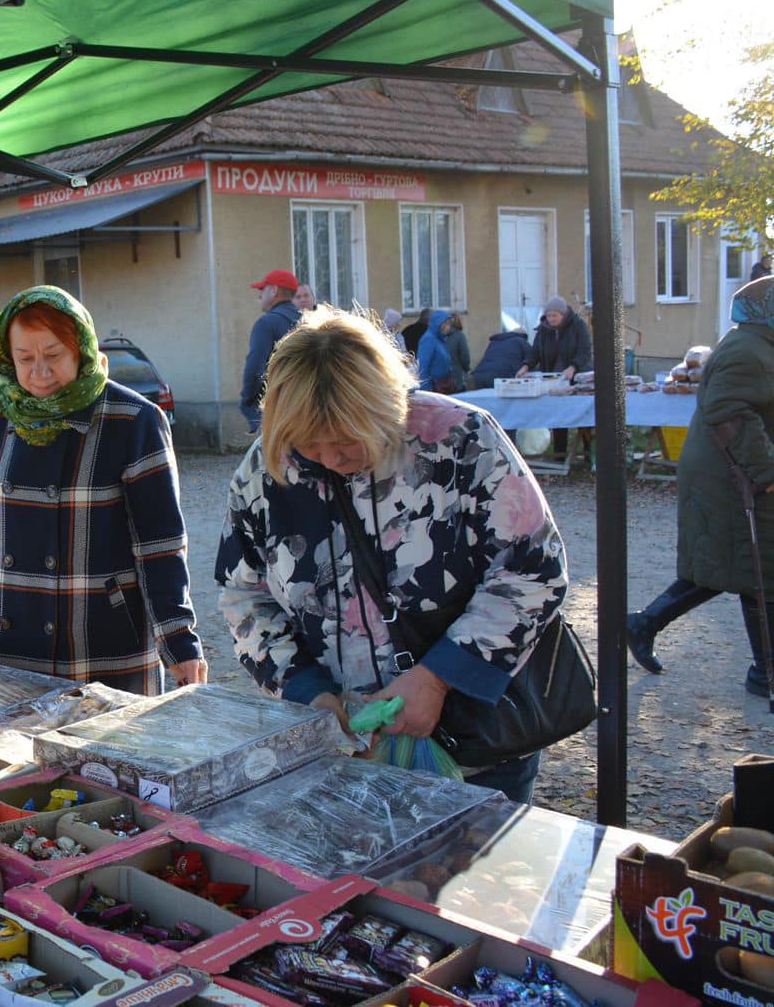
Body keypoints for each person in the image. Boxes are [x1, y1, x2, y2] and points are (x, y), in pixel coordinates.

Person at [216, 307, 569, 803]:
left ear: (386, 408)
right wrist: (308, 693)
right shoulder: (265, 471)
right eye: (308, 444)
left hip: (477, 743)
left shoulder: (461, 440)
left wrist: (438, 678)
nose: (330, 460)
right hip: (345, 749)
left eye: (346, 441)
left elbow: (534, 569)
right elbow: (245, 596)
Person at [0, 285, 206, 696]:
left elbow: (160, 545)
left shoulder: (133, 420)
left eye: (53, 355)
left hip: (103, 640)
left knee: (109, 758)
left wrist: (180, 641)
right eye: (25, 358)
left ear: (82, 349)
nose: (39, 371)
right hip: (13, 636)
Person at [626, 276, 774, 692]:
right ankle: (766, 673)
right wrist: (768, 472)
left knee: (730, 563)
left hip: (730, 473)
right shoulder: (748, 350)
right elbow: (729, 412)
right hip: (733, 477)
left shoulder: (755, 345)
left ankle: (643, 624)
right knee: (756, 567)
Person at [239, 268, 302, 433]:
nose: (259, 295)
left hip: (280, 412)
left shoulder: (267, 323)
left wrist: (248, 402)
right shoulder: (307, 321)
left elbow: (254, 369)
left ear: (273, 290)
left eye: (262, 289)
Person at [518, 295, 593, 381]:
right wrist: (526, 366)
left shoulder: (578, 326)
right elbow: (535, 352)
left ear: (563, 314)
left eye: (554, 315)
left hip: (577, 377)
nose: (551, 319)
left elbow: (584, 352)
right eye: (548, 316)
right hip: (551, 378)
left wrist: (573, 367)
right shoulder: (543, 329)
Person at [415, 308, 458, 392]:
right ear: (438, 324)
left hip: (444, 385)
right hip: (434, 387)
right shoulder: (428, 339)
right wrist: (427, 389)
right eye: (446, 324)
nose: (448, 327)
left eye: (449, 325)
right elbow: (423, 366)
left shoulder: (440, 339)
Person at [444, 314, 473, 391]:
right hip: (458, 377)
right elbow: (465, 356)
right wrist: (467, 368)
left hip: (444, 379)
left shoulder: (442, 337)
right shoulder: (460, 336)